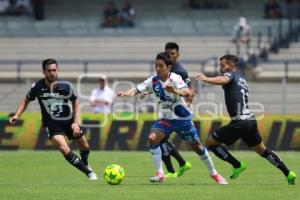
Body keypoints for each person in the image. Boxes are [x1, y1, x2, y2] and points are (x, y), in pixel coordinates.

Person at [118, 52, 227, 184]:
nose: (157, 68)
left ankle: (214, 173)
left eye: (160, 66)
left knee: (197, 147)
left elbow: (187, 92)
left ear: (168, 67)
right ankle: (160, 173)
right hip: (166, 120)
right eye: (156, 65)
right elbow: (137, 89)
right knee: (152, 138)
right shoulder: (152, 81)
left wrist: (174, 91)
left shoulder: (175, 78)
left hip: (182, 119)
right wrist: (126, 93)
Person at [196, 54, 297, 185]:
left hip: (240, 121)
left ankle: (237, 165)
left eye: (223, 65)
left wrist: (206, 78)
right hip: (250, 120)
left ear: (232, 66)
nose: (221, 68)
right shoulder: (242, 79)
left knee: (210, 143)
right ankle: (288, 173)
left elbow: (223, 80)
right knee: (263, 150)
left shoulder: (230, 75)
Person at [9, 58, 98, 181]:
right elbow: (26, 101)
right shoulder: (37, 87)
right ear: (44, 72)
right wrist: (16, 115)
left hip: (68, 121)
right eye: (49, 70)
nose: (52, 73)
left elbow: (75, 102)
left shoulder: (65, 86)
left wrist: (76, 123)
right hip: (51, 124)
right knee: (63, 148)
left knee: (85, 147)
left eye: (54, 70)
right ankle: (89, 173)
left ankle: (85, 163)